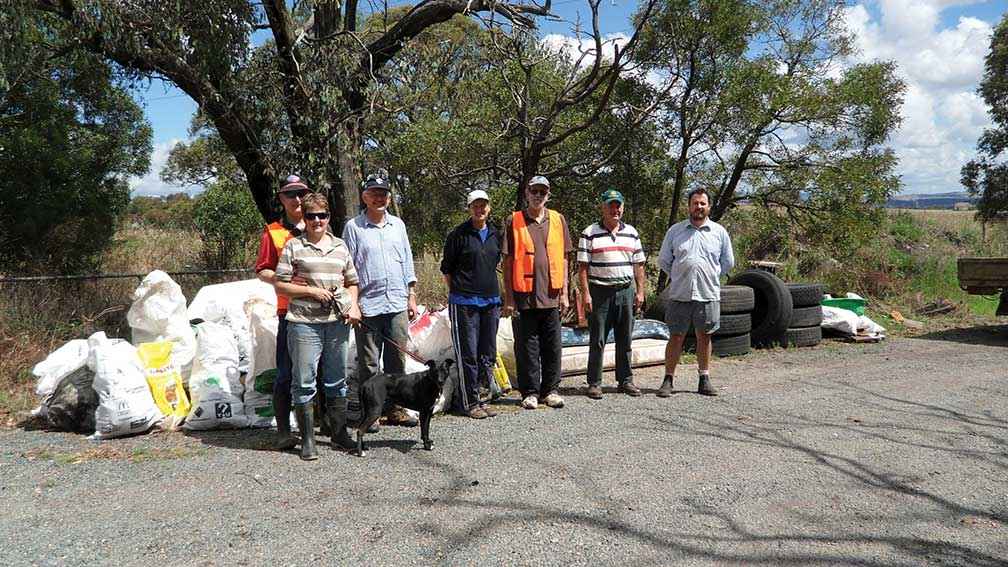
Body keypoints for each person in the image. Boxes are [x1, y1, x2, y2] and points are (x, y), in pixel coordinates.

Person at [273, 193, 362, 460]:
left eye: (321, 216)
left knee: (336, 380)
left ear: (328, 218)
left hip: (336, 323)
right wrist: (311, 292)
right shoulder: (293, 246)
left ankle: (339, 434)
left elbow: (352, 281)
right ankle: (308, 440)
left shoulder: (340, 246)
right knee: (304, 381)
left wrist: (354, 306)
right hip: (303, 324)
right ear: (305, 218)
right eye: (311, 216)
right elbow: (280, 284)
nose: (316, 221)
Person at [341, 174, 419, 428]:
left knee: (397, 359)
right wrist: (353, 304)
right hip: (368, 305)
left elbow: (407, 262)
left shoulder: (398, 225)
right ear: (365, 197)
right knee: (370, 363)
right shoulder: (354, 227)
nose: (379, 198)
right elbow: (347, 267)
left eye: (383, 193)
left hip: (396, 302)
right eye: (374, 193)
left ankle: (397, 409)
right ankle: (371, 413)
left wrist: (412, 296)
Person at [501, 175, 573, 410]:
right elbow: (509, 262)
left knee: (553, 346)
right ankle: (530, 392)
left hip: (551, 296)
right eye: (534, 191)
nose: (538, 196)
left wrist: (564, 294)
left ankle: (550, 390)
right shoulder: (515, 220)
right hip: (524, 297)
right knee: (526, 347)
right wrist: (509, 298)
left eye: (542, 192)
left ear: (548, 195)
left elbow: (564, 257)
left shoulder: (558, 220)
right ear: (526, 193)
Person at [656, 187, 735, 397]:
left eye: (702, 203)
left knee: (705, 336)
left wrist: (709, 274)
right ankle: (668, 379)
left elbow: (727, 263)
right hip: (679, 294)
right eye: (695, 203)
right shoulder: (675, 231)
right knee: (675, 336)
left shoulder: (719, 233)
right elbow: (664, 260)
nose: (698, 207)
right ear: (688, 206)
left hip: (707, 293)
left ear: (708, 206)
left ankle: (704, 378)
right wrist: (681, 274)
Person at [576, 189, 646, 400]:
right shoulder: (589, 232)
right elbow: (582, 267)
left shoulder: (632, 233)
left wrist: (640, 292)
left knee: (625, 339)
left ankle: (625, 380)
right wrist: (586, 294)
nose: (615, 209)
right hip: (599, 292)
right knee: (597, 339)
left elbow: (639, 265)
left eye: (618, 205)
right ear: (602, 207)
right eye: (610, 205)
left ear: (622, 207)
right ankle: (595, 382)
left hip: (626, 290)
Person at [254, 174, 307, 451]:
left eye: (301, 193)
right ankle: (284, 432)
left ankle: (315, 427)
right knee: (286, 373)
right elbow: (262, 268)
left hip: (320, 311)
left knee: (317, 372)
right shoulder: (273, 231)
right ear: (281, 199)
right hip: (289, 311)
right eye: (290, 194)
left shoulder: (319, 224)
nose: (296, 199)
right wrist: (280, 280)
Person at [441, 189, 502, 419]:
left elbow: (495, 262)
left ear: (489, 207)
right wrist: (459, 290)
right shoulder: (458, 235)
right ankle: (470, 402)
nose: (480, 209)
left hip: (491, 301)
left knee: (487, 353)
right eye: (475, 205)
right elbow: (446, 269)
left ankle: (485, 397)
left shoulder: (496, 234)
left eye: (483, 205)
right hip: (464, 302)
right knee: (468, 352)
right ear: (469, 208)